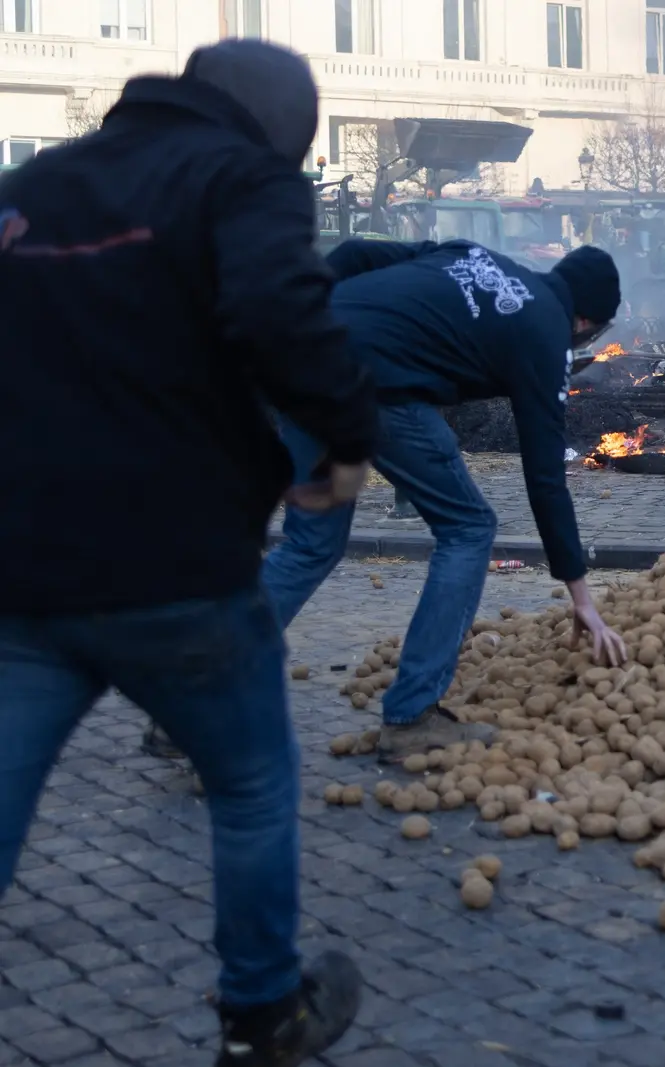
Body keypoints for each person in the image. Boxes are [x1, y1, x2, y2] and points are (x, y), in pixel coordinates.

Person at [0, 40, 370, 1065]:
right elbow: (277, 308)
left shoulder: (36, 182)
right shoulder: (238, 177)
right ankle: (263, 1016)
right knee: (250, 782)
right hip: (174, 559)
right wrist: (341, 441)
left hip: (22, 557)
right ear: (279, 129)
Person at [261, 238, 630, 763]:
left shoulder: (471, 253)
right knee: (468, 528)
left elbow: (356, 252)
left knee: (311, 543)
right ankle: (412, 715)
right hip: (370, 393)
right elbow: (545, 475)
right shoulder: (546, 334)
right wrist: (582, 597)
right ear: (586, 323)